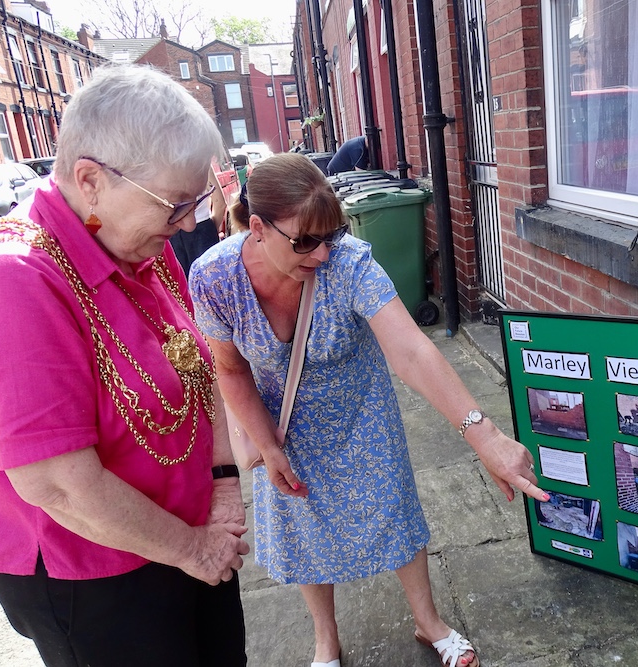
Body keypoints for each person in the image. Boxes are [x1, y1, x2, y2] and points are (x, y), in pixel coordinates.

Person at [189, 153, 548, 667]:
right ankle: (325, 640)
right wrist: (266, 445)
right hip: (281, 423)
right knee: (301, 525)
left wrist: (485, 435)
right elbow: (230, 369)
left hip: (359, 412)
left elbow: (412, 350)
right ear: (259, 228)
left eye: (330, 234)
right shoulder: (214, 277)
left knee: (393, 509)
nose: (321, 254)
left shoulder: (349, 260)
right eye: (305, 241)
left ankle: (429, 623)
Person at [0, 65, 249, 667]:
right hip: (93, 573)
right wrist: (192, 550)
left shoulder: (137, 244)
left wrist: (222, 483)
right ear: (90, 179)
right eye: (175, 205)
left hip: (185, 536)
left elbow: (200, 369)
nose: (190, 224)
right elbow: (58, 483)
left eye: (195, 202)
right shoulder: (17, 280)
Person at [169, 167, 227, 277]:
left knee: (181, 285)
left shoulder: (162, 164)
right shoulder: (201, 163)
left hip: (173, 232)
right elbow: (220, 203)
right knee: (212, 280)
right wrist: (211, 229)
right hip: (203, 229)